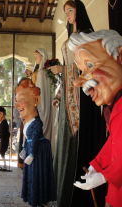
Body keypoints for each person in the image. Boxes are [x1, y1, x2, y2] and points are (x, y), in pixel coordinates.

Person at [48, 1, 105, 206]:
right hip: (69, 96)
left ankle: (78, 196)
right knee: (65, 140)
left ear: (78, 11)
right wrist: (60, 91)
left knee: (79, 140)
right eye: (66, 12)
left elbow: (88, 66)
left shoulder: (87, 34)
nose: (68, 15)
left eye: (70, 11)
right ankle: (63, 191)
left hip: (82, 95)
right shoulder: (70, 36)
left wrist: (63, 71)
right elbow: (67, 67)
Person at [68, 29, 122, 207]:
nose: (78, 82)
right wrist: (97, 165)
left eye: (89, 66)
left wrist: (105, 176)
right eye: (81, 71)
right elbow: (114, 142)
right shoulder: (113, 108)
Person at [16, 78, 56, 207]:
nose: (17, 105)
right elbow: (28, 139)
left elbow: (33, 139)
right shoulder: (28, 122)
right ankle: (33, 197)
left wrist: (31, 154)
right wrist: (24, 149)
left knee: (36, 176)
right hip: (31, 152)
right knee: (31, 176)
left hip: (37, 154)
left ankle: (38, 198)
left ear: (36, 101)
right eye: (17, 101)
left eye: (22, 100)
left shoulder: (36, 123)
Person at [33, 48, 54, 144]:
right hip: (48, 104)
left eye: (37, 56)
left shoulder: (42, 72)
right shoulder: (47, 72)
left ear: (42, 56)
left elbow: (39, 91)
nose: (35, 59)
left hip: (43, 104)